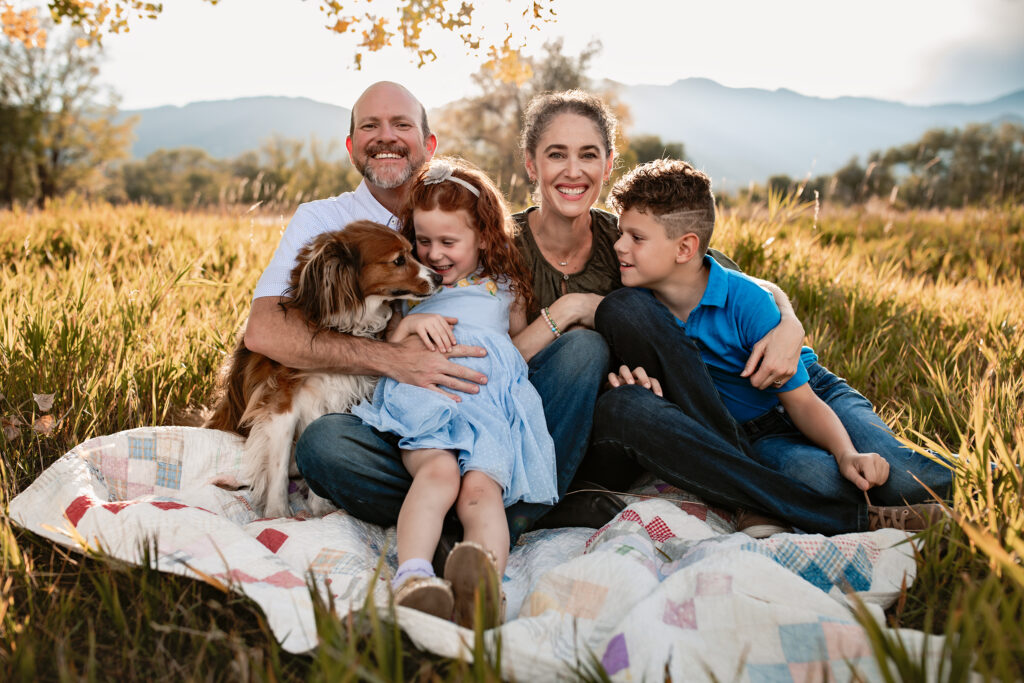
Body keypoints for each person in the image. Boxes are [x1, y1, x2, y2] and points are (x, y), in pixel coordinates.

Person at [587, 158, 952, 535]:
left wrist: (846, 452)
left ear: (685, 248)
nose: (619, 246)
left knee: (898, 472)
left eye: (636, 238)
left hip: (812, 397)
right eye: (621, 233)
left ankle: (992, 480)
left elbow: (804, 402)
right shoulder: (642, 306)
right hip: (756, 434)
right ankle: (866, 514)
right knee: (818, 478)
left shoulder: (746, 301)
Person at [509, 90, 808, 530]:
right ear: (532, 164)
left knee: (628, 385)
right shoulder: (502, 243)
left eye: (588, 155)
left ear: (608, 166)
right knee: (584, 348)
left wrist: (789, 322)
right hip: (525, 424)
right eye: (557, 155)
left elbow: (724, 277)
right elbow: (490, 361)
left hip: (613, 434)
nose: (573, 171)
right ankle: (536, 507)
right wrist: (571, 308)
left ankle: (740, 484)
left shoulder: (626, 239)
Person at [351, 158, 555, 627]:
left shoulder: (506, 287)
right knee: (438, 475)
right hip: (430, 401)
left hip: (488, 407)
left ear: (483, 237)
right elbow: (385, 344)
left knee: (480, 493)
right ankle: (415, 579)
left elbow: (519, 352)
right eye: (424, 241)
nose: (435, 253)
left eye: (449, 242)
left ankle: (483, 589)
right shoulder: (412, 288)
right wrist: (412, 324)